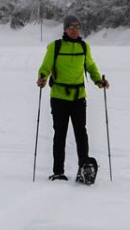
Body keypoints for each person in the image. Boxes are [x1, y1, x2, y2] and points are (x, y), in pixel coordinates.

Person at [36, 15, 108, 181]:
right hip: (59, 97)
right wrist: (42, 77)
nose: (75, 30)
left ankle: (84, 167)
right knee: (60, 134)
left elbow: (90, 66)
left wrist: (99, 80)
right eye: (71, 27)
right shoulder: (56, 46)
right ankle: (58, 171)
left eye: (77, 26)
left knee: (81, 132)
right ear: (65, 29)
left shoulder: (84, 47)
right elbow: (46, 66)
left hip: (78, 97)